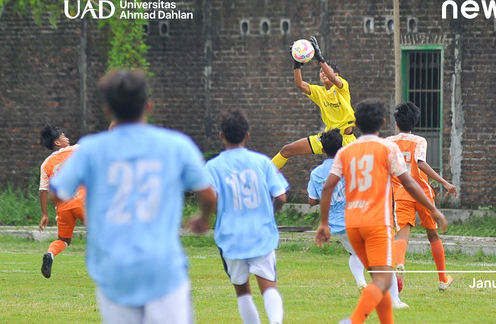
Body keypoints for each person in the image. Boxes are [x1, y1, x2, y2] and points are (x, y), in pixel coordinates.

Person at [49, 69, 216, 324]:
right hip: (163, 268)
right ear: (148, 106)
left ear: (108, 111)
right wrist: (202, 218)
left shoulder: (90, 149)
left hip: (114, 270)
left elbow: (56, 194)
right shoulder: (176, 145)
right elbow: (208, 194)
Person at [315, 99, 448, 324]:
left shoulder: (346, 151)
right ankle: (354, 321)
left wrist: (323, 223)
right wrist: (432, 209)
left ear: (356, 122)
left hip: (353, 223)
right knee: (383, 281)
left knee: (380, 279)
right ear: (384, 122)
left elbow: (328, 187)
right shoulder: (387, 147)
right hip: (377, 223)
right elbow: (409, 182)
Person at [204, 109, 289, 324]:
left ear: (221, 136)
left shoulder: (212, 166)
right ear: (247, 135)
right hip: (260, 232)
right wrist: (270, 214)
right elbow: (281, 197)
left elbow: (210, 200)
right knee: (268, 284)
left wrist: (217, 213)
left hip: (230, 236)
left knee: (242, 291)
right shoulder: (263, 162)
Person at [307, 129, 408, 309]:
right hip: (358, 218)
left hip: (335, 225)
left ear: (322, 150)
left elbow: (312, 199)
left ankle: (361, 280)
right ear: (342, 146)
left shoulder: (316, 173)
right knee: (384, 258)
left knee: (355, 253)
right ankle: (394, 300)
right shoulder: (350, 165)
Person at [387, 102, 457, 291]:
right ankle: (442, 279)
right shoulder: (419, 141)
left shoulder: (389, 142)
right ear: (415, 122)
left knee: (402, 235)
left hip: (401, 193)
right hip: (423, 193)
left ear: (396, 122)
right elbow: (420, 163)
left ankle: (399, 266)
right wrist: (444, 182)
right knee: (433, 234)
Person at [271, 36, 356, 169]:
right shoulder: (319, 91)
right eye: (320, 71)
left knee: (347, 172)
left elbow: (332, 78)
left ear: (337, 75)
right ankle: (263, 178)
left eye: (325, 71)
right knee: (286, 150)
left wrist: (319, 58)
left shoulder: (342, 87)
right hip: (328, 138)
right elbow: (299, 84)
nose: (322, 73)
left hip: (345, 140)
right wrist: (296, 63)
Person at [38, 123, 86, 279]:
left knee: (64, 239)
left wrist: (45, 214)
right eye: (64, 136)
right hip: (82, 202)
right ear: (57, 142)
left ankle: (50, 254)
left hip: (63, 207)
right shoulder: (77, 150)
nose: (67, 138)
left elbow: (43, 191)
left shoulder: (46, 164)